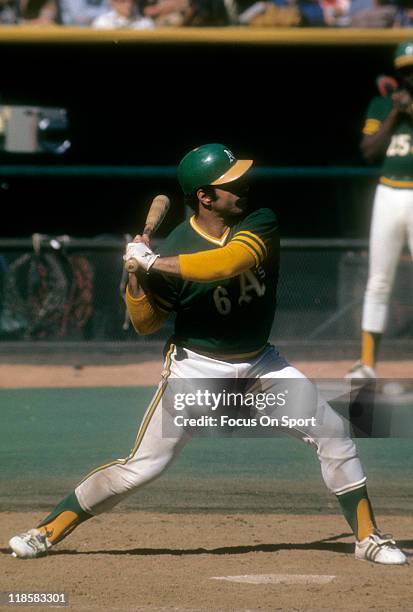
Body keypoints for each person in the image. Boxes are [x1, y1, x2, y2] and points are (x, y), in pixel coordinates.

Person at [9, 143, 406, 565]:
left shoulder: (258, 221)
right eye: (230, 183)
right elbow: (145, 322)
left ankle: (368, 538)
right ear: (204, 196)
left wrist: (154, 263)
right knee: (140, 469)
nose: (243, 186)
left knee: (332, 432)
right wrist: (136, 278)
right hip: (195, 370)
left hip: (260, 364)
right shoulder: (176, 245)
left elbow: (226, 263)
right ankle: (46, 531)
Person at [347, 42, 413, 379]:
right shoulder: (383, 103)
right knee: (379, 280)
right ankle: (368, 363)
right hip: (390, 191)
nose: (410, 76)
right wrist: (395, 114)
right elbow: (369, 150)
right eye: (406, 70)